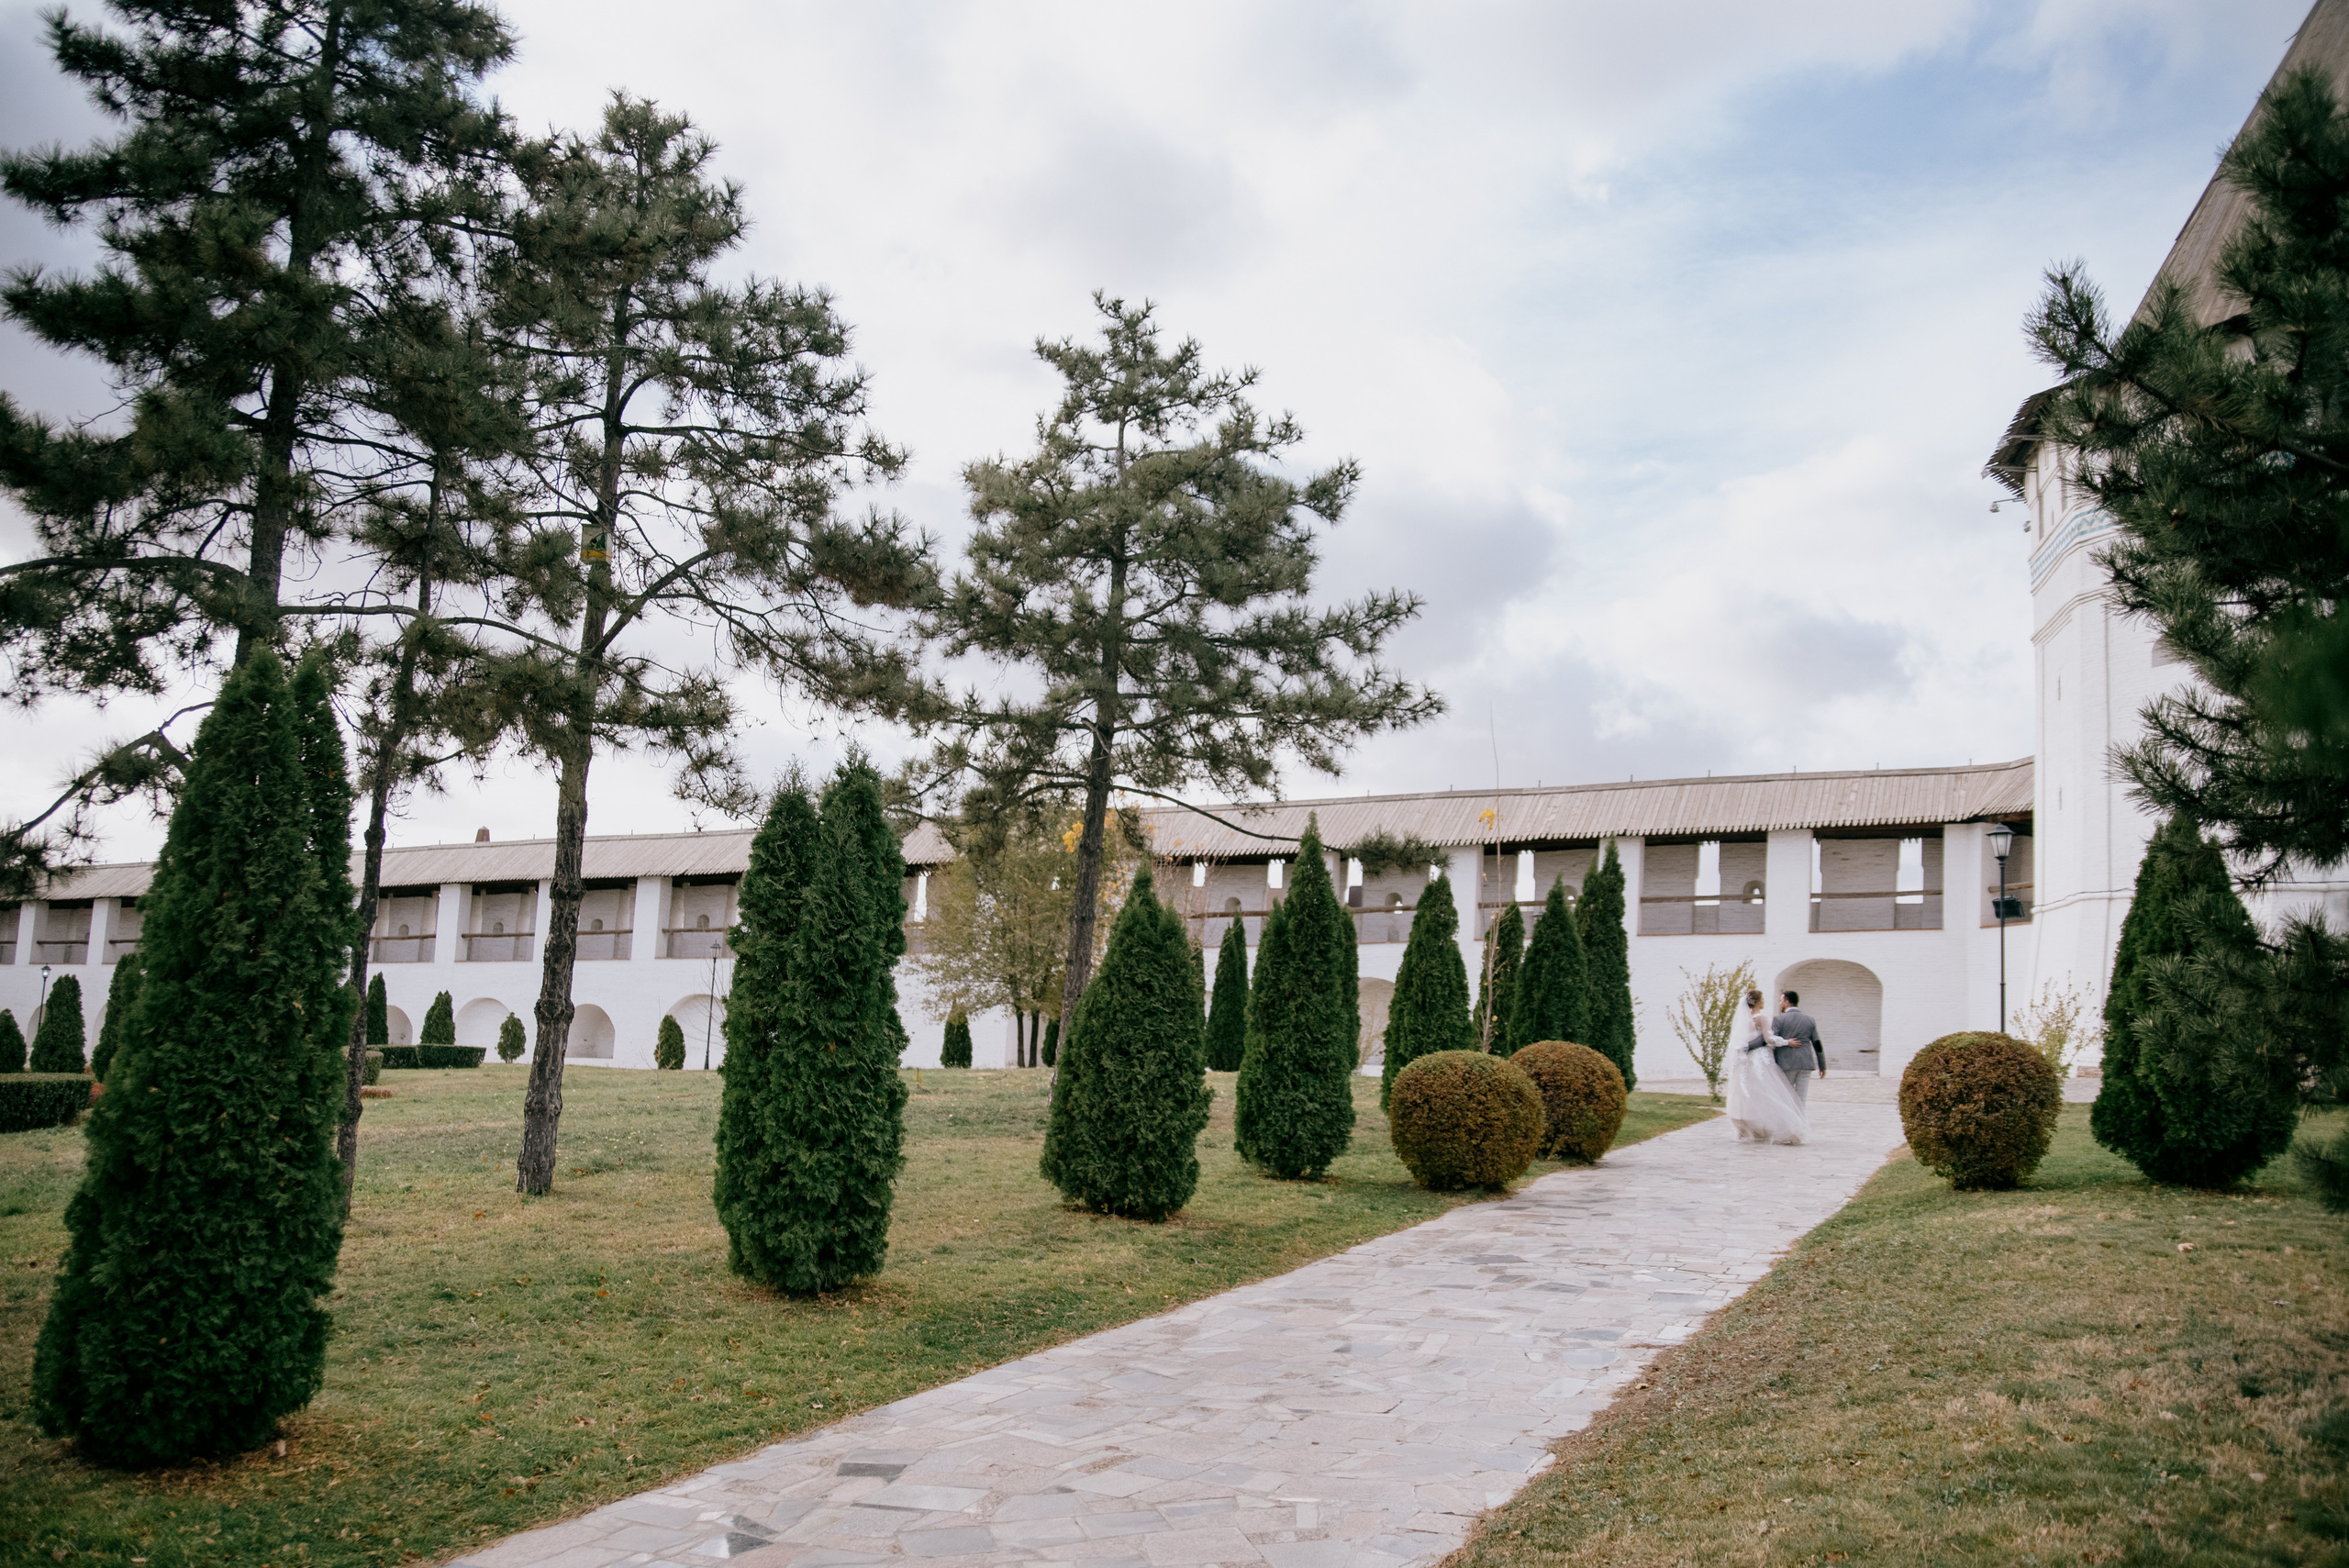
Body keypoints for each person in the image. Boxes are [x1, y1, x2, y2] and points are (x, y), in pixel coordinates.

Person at [1725, 987, 1808, 1144]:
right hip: (1760, 1059)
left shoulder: (1743, 1020)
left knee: (1747, 1093)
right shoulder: (1762, 1018)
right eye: (1762, 999)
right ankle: (1781, 1127)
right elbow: (1769, 1039)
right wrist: (1786, 1042)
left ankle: (1746, 1129)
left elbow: (1740, 1042)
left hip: (1745, 1061)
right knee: (1769, 1092)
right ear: (1757, 1002)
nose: (1764, 1002)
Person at [1771, 990, 1828, 1102]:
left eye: (1781, 1001)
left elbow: (1772, 1041)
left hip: (1786, 1064)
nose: (1780, 1004)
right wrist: (1822, 1065)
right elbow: (1817, 1044)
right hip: (1805, 1064)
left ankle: (1789, 1119)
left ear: (1787, 1003)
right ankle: (1800, 1119)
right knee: (1801, 1099)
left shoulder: (1779, 1020)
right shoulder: (1809, 1020)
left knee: (1786, 1098)